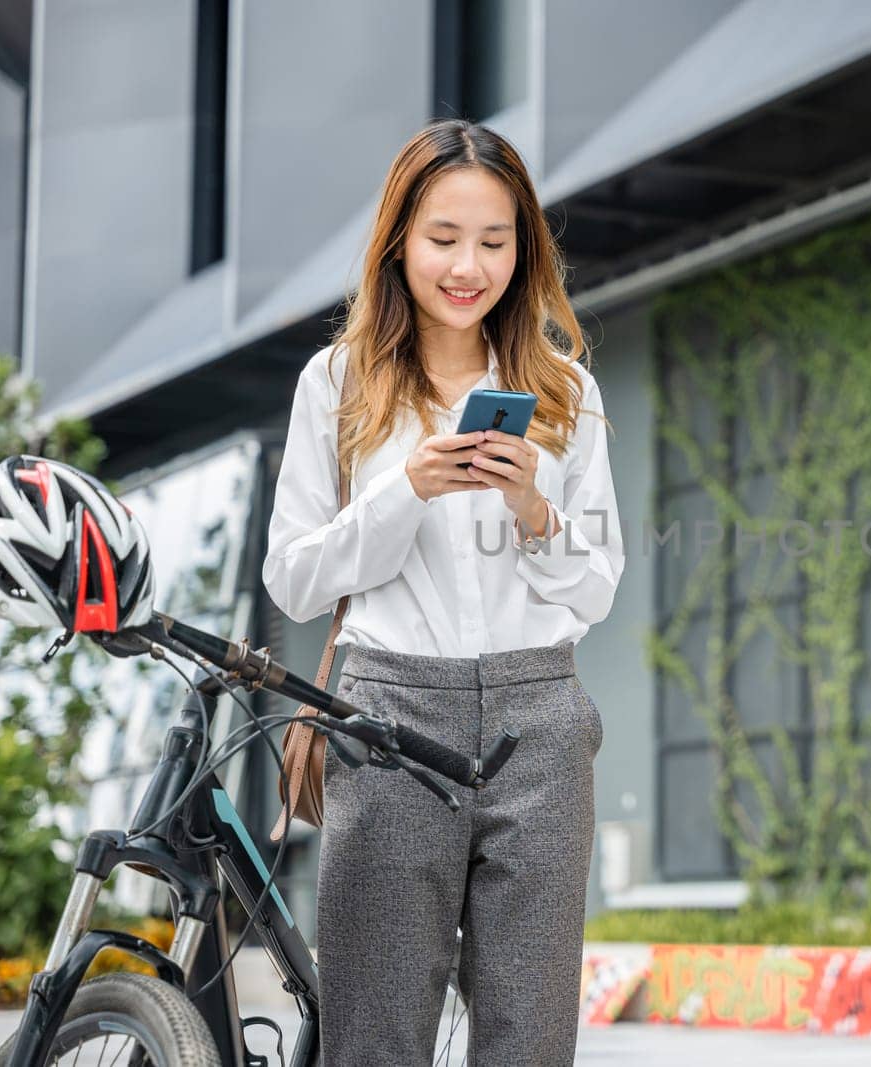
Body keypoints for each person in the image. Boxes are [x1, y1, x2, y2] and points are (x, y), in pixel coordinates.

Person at [261, 119, 625, 1065]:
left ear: (524, 249)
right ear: (398, 243)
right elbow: (294, 577)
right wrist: (406, 488)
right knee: (374, 1036)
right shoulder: (338, 385)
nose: (469, 266)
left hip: (538, 720)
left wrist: (530, 504)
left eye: (495, 243)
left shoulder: (566, 395)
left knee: (529, 1040)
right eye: (444, 238)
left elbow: (596, 590)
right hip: (387, 716)